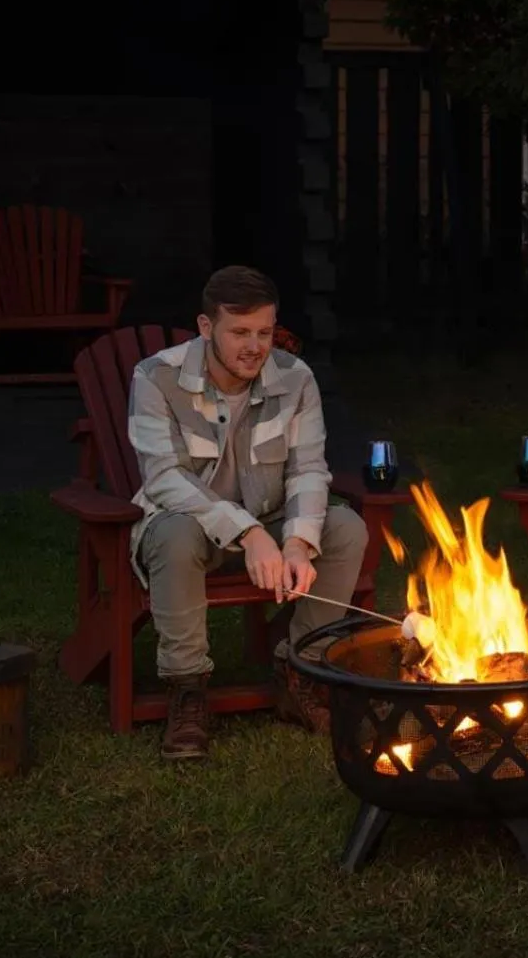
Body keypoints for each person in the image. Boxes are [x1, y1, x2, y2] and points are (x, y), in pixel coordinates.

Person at [126, 265, 368, 761]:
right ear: (206, 326)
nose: (255, 346)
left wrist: (297, 541)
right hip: (189, 528)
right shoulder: (156, 377)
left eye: (264, 332)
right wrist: (250, 533)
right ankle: (187, 691)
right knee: (174, 533)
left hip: (270, 523)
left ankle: (301, 671)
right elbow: (165, 477)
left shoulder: (295, 377)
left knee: (345, 527)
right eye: (240, 332)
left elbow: (307, 469)